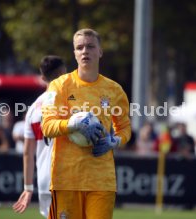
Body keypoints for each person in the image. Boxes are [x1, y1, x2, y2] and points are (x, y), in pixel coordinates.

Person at [41, 29, 131, 219]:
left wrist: (115, 141)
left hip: (101, 181)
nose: (85, 51)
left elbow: (124, 129)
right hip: (66, 181)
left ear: (100, 51)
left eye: (90, 46)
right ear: (74, 53)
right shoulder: (58, 86)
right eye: (79, 47)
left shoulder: (114, 90)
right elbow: (47, 126)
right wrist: (73, 124)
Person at [13, 55, 66, 218]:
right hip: (68, 177)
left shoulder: (33, 109)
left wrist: (28, 187)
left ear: (42, 77)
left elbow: (28, 153)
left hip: (44, 180)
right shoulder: (69, 102)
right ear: (64, 73)